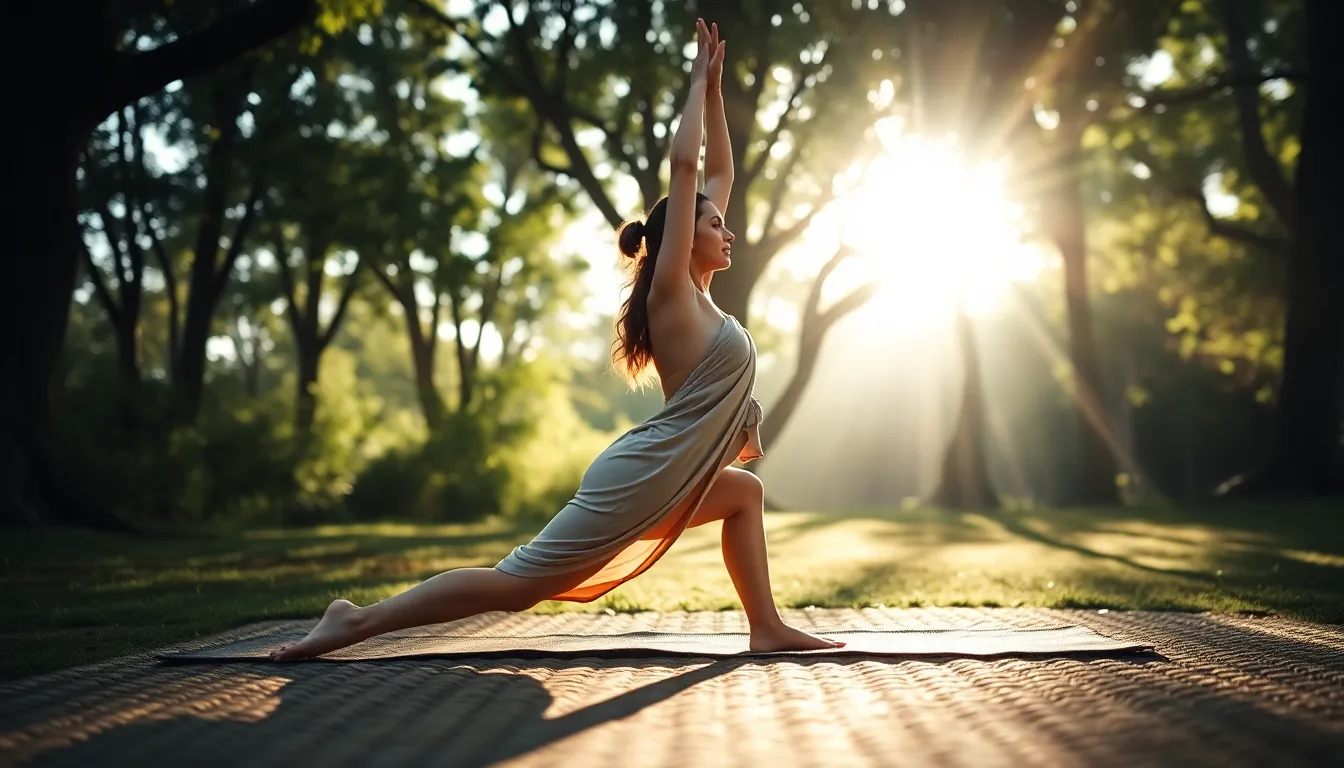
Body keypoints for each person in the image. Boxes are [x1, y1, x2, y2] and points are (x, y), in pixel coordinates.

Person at [270, 19, 842, 661]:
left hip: (668, 475)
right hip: (639, 476)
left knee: (745, 494)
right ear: (682, 239)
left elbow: (718, 172)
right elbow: (687, 167)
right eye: (713, 223)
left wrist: (713, 88)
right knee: (517, 587)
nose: (726, 228)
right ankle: (351, 621)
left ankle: (764, 625)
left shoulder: (703, 299)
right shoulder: (673, 295)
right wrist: (689, 85)